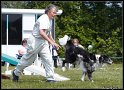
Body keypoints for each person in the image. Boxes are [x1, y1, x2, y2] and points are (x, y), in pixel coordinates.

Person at [12, 4, 61, 82]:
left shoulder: (49, 19)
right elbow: (42, 32)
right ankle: (16, 72)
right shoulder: (43, 19)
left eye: (56, 13)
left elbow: (48, 33)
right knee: (28, 61)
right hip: (35, 41)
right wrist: (51, 42)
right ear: (48, 11)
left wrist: (53, 42)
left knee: (48, 59)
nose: (55, 15)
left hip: (43, 42)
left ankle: (50, 78)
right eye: (54, 12)